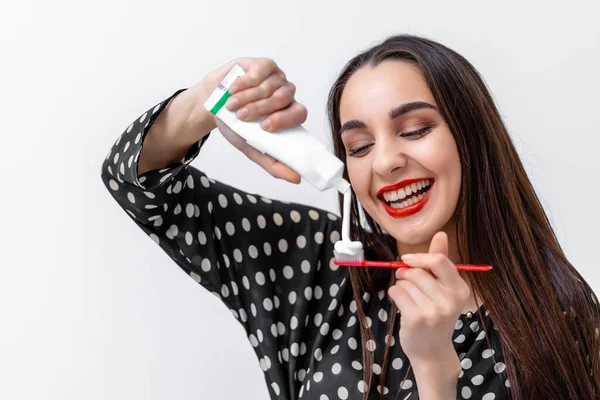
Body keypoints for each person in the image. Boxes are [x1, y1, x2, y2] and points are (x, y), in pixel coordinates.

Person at [101, 34, 600, 399]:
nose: (384, 163)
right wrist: (216, 97)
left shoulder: (560, 311)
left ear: (472, 136)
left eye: (414, 129)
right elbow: (135, 181)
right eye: (359, 145)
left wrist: (435, 373)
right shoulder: (315, 267)